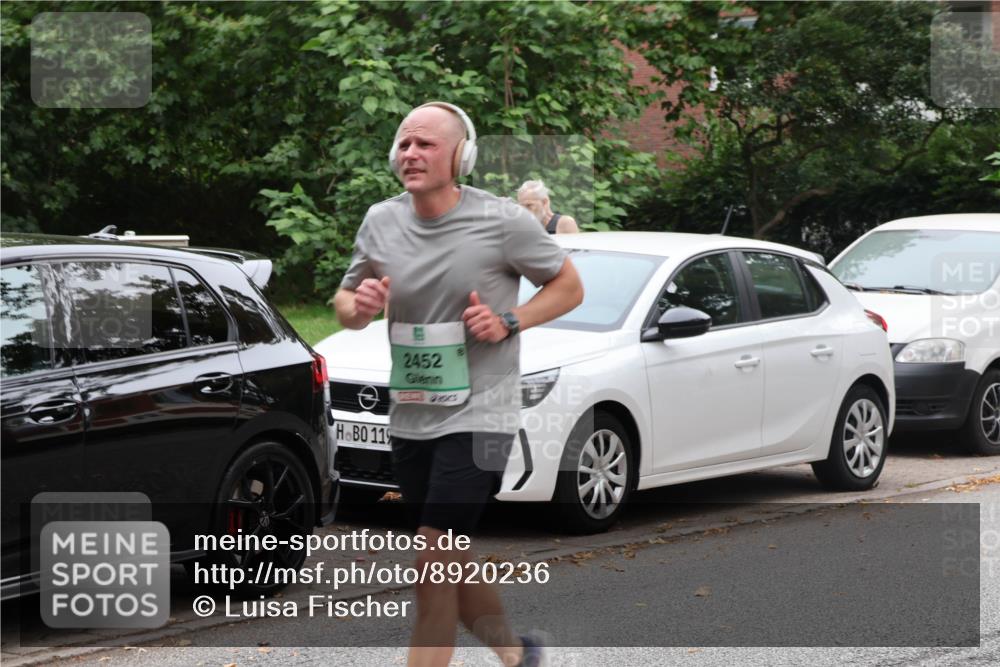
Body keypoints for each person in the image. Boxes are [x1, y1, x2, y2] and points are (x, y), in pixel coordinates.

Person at [333, 101, 583, 667]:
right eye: (404, 144)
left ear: (460, 156)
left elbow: (568, 287)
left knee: (431, 560)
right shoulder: (381, 220)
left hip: (487, 416)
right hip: (414, 414)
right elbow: (347, 304)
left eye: (425, 144)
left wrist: (510, 320)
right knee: (448, 560)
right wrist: (360, 305)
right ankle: (518, 655)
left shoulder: (503, 221)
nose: (411, 154)